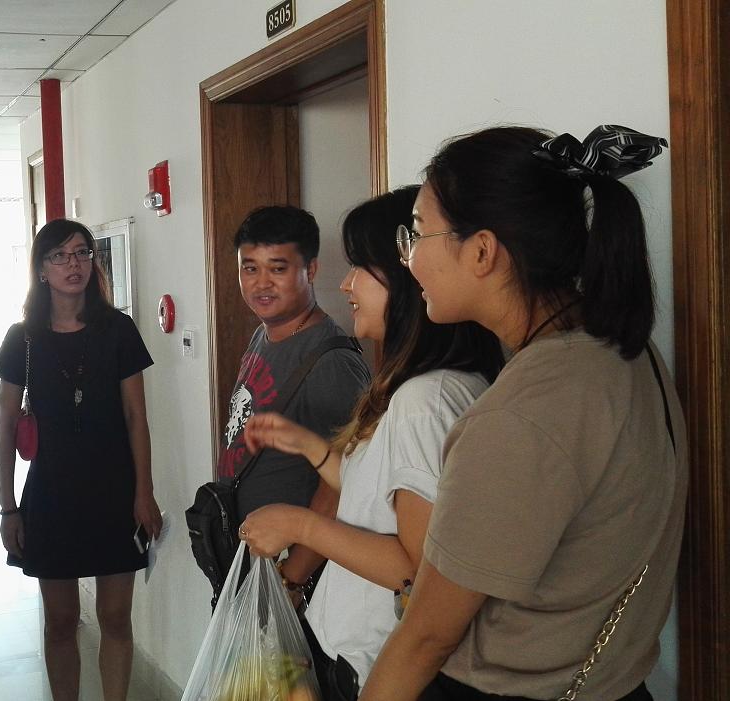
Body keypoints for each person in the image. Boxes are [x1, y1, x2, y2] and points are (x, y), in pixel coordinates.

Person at [359, 126, 687, 701]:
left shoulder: (521, 414)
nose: (408, 258)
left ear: (482, 251)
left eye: (416, 232)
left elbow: (427, 638)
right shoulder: (625, 353)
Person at [237, 187, 504, 700]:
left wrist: (299, 525)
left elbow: (417, 571)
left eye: (361, 267)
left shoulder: (424, 401)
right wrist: (312, 447)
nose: (347, 283)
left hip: (375, 668)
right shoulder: (431, 387)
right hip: (351, 656)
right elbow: (379, 494)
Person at [0, 218, 162, 701]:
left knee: (116, 618)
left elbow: (136, 417)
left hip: (115, 491)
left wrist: (144, 492)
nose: (74, 264)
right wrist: (8, 508)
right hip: (51, 494)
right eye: (60, 255)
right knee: (61, 621)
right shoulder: (22, 338)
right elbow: (5, 426)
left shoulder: (118, 330)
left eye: (83, 253)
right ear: (41, 269)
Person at [218, 205, 371, 597]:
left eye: (278, 268)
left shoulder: (332, 362)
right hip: (251, 559)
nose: (261, 284)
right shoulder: (264, 334)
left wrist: (293, 578)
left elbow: (343, 484)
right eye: (250, 268)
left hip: (288, 573)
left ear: (311, 269)